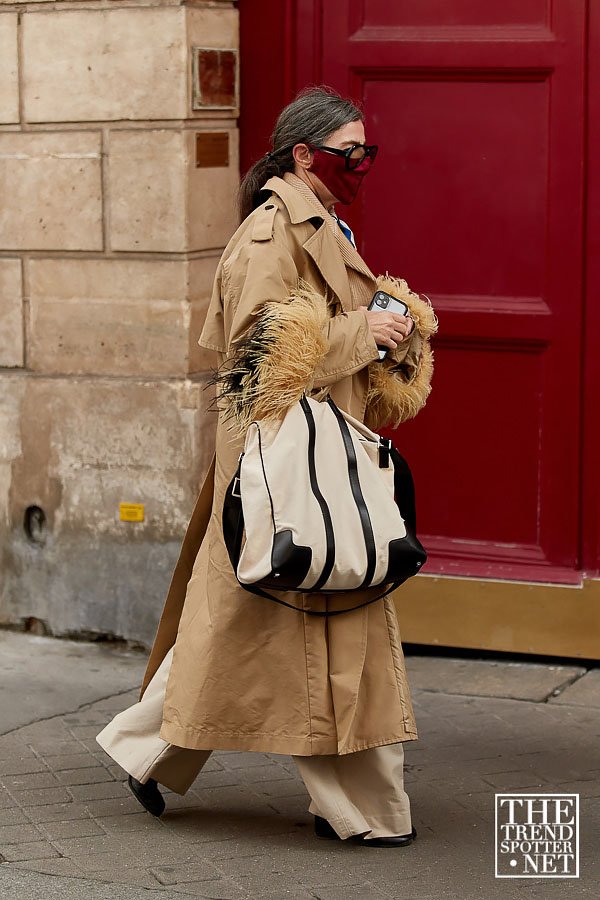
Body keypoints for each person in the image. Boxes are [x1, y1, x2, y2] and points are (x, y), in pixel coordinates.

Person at [97, 85, 437, 848]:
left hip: (307, 464)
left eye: (367, 150)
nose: (363, 163)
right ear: (304, 154)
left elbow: (319, 331)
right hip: (288, 473)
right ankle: (365, 811)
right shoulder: (268, 236)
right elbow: (257, 362)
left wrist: (390, 327)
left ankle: (144, 749)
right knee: (328, 618)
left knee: (244, 624)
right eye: (351, 152)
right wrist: (363, 330)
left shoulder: (318, 222)